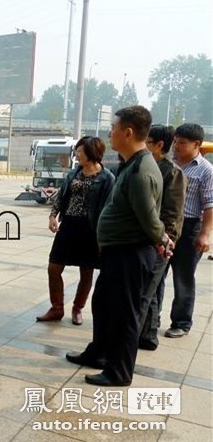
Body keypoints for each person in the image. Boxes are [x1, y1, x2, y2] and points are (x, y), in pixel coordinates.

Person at [66, 105, 171, 386]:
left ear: (127, 132)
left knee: (124, 313)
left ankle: (119, 371)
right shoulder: (132, 164)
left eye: (113, 129)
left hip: (130, 253)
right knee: (103, 304)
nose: (109, 134)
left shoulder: (141, 172)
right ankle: (98, 353)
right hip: (117, 251)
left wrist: (162, 239)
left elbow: (149, 218)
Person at [37, 136, 115, 325]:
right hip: (69, 225)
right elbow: (61, 196)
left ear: (91, 152)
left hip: (90, 229)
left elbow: (109, 207)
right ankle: (57, 308)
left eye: (79, 151)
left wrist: (103, 237)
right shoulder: (74, 173)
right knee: (54, 267)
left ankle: (77, 308)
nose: (76, 154)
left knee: (86, 271)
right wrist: (52, 215)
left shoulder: (107, 178)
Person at [138, 125, 186, 350]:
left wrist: (165, 240)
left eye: (148, 141)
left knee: (145, 291)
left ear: (159, 145)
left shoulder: (172, 172)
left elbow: (172, 212)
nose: (144, 145)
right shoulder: (144, 166)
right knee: (151, 288)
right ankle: (148, 335)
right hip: (142, 239)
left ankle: (133, 338)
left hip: (159, 241)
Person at [164, 123, 213, 338]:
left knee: (183, 277)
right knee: (156, 273)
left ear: (197, 145)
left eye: (182, 143)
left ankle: (181, 323)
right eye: (176, 142)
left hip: (190, 227)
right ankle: (150, 319)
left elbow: (210, 204)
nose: (177, 146)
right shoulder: (168, 164)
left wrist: (205, 233)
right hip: (166, 226)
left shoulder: (205, 170)